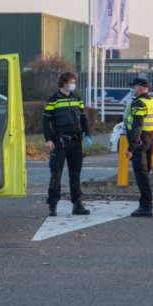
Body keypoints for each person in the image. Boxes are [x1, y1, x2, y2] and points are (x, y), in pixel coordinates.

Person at [42, 71, 92, 217]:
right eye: (71, 82)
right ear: (64, 83)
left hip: (75, 141)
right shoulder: (54, 99)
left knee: (75, 174)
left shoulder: (77, 98)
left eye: (74, 82)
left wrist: (87, 134)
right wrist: (48, 139)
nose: (73, 84)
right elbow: (45, 120)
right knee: (56, 173)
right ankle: (52, 205)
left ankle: (77, 204)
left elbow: (83, 118)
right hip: (59, 142)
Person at [125, 77, 153, 217]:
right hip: (150, 139)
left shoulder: (139, 103)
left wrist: (131, 148)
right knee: (145, 173)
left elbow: (137, 126)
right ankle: (145, 203)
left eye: (134, 87)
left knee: (141, 175)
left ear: (140, 87)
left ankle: (146, 206)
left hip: (140, 142)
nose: (133, 89)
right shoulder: (152, 101)